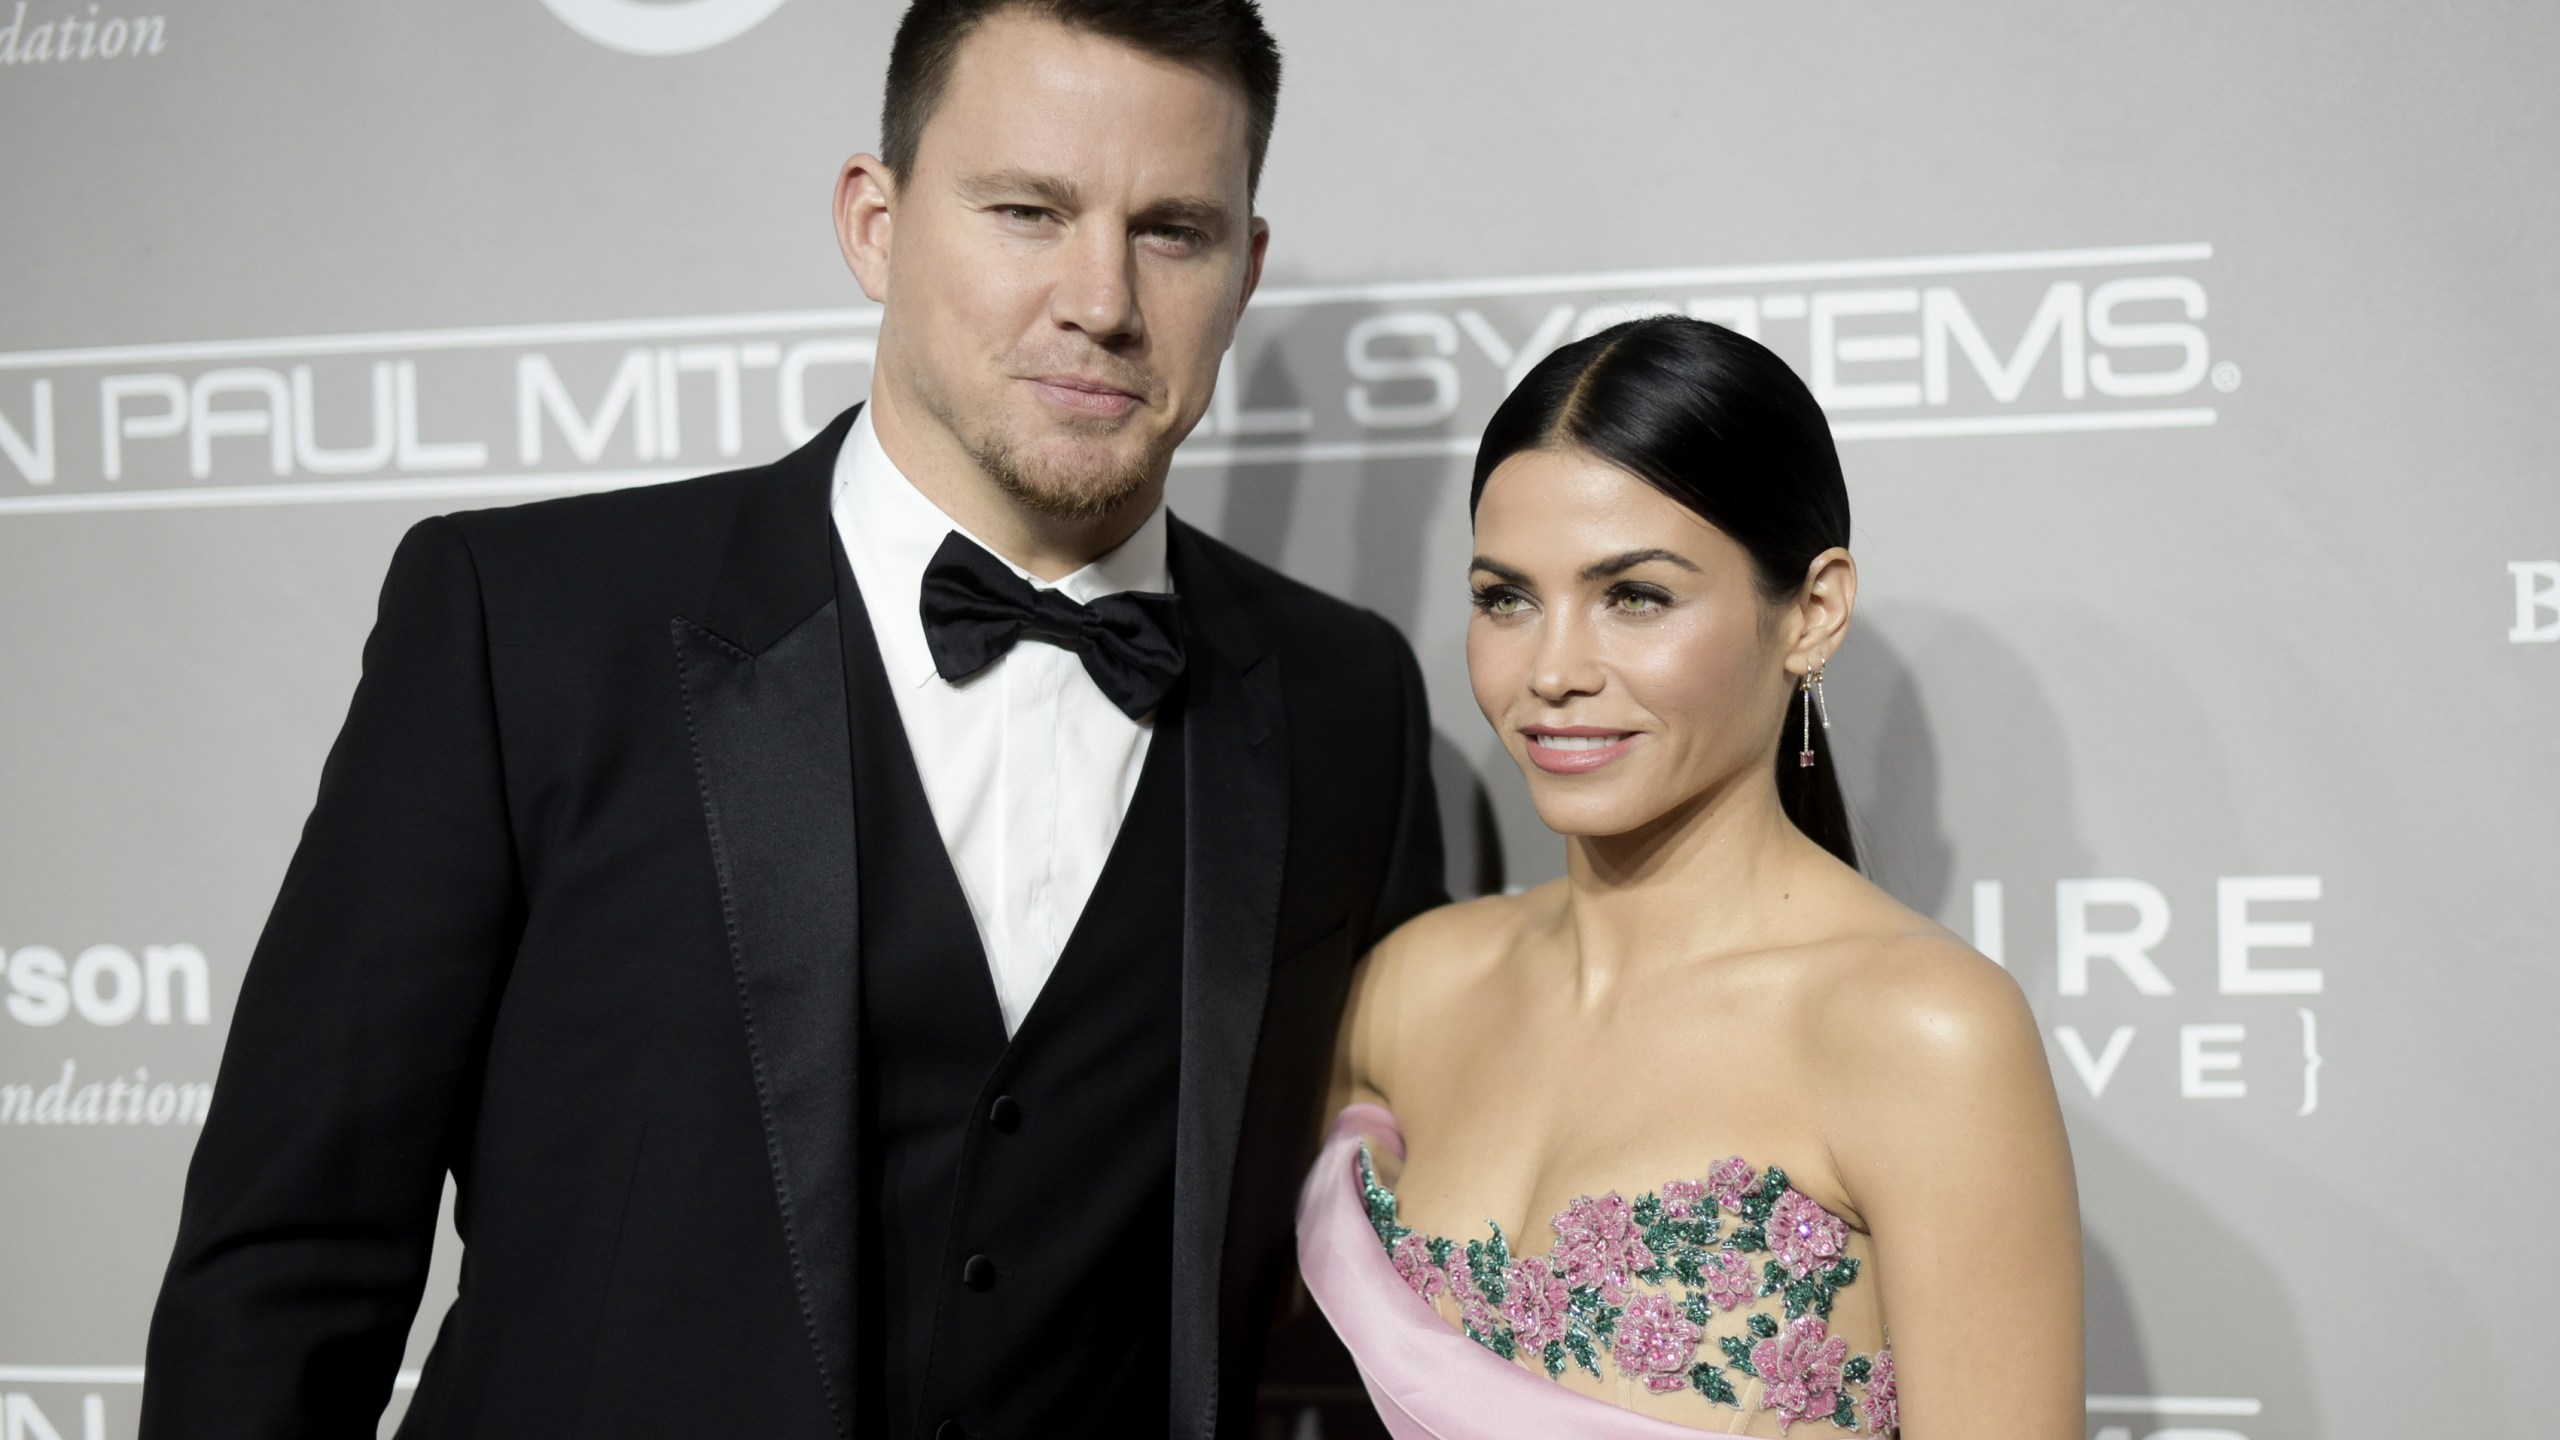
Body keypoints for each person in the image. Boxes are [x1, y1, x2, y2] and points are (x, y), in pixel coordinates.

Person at [140, 2, 1446, 1437]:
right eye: (1027, 210)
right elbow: (290, 1258)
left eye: (1173, 231)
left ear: (1244, 267)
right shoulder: (527, 623)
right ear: (874, 224)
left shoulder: (1344, 701)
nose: (1102, 300)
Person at [1298, 316, 2081, 1438]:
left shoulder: (1918, 1031)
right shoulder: (1414, 987)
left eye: (1636, 596)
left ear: (1812, 612)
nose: (1554, 670)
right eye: (1505, 597)